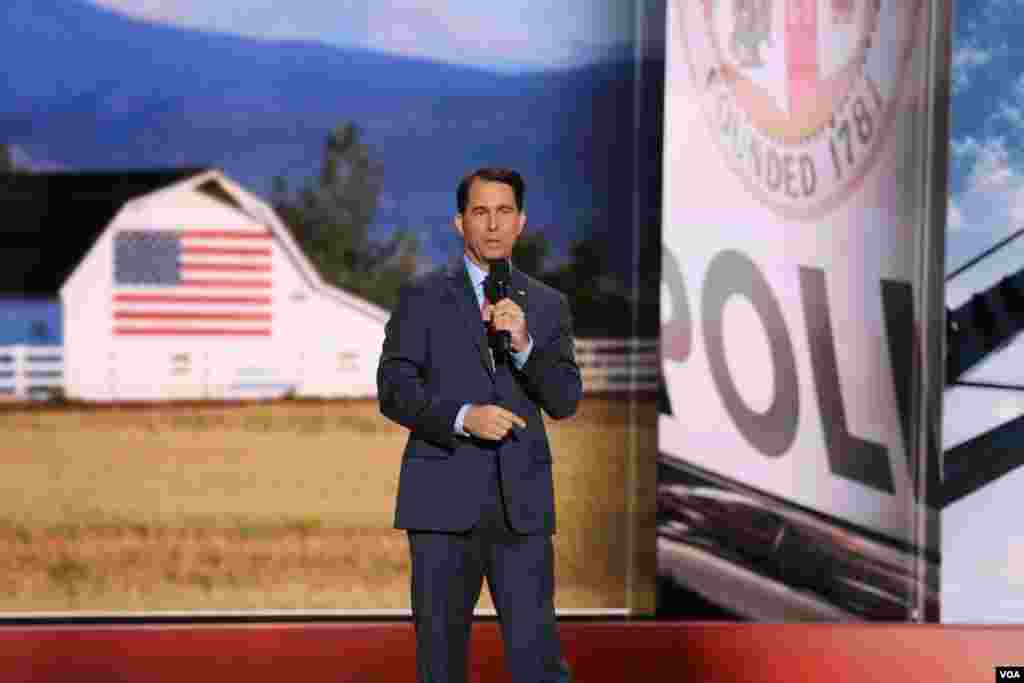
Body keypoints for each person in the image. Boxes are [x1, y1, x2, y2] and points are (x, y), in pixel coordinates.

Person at [377, 167, 581, 683]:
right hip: (442, 506)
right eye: (480, 212)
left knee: (539, 663)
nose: (493, 225)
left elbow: (564, 400)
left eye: (504, 212)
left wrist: (525, 346)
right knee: (440, 663)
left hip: (522, 510)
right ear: (459, 222)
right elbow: (394, 389)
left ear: (522, 223)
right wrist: (464, 418)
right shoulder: (421, 296)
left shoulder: (548, 306)